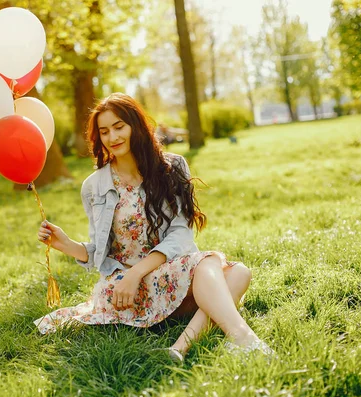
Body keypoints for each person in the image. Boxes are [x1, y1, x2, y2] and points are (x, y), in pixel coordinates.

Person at [34, 93, 272, 362]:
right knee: (213, 265)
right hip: (125, 289)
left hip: (166, 274)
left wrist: (139, 271)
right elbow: (101, 252)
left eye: (119, 126)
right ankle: (243, 338)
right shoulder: (94, 186)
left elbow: (181, 232)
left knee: (240, 272)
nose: (113, 137)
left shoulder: (172, 167)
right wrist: (66, 245)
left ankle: (180, 348)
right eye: (104, 131)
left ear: (136, 125)